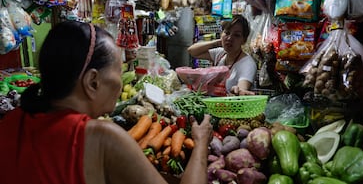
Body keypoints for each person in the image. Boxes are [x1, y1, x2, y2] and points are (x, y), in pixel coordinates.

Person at [0, 21, 213, 184]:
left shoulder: (10, 122)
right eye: (119, 71)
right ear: (92, 82)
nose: (121, 83)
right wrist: (201, 142)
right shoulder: (102, 138)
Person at [187, 14, 257, 95]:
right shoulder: (220, 54)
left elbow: (242, 89)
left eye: (236, 35)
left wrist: (237, 90)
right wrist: (217, 42)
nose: (230, 38)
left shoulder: (248, 64)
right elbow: (192, 51)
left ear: (244, 40)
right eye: (227, 33)